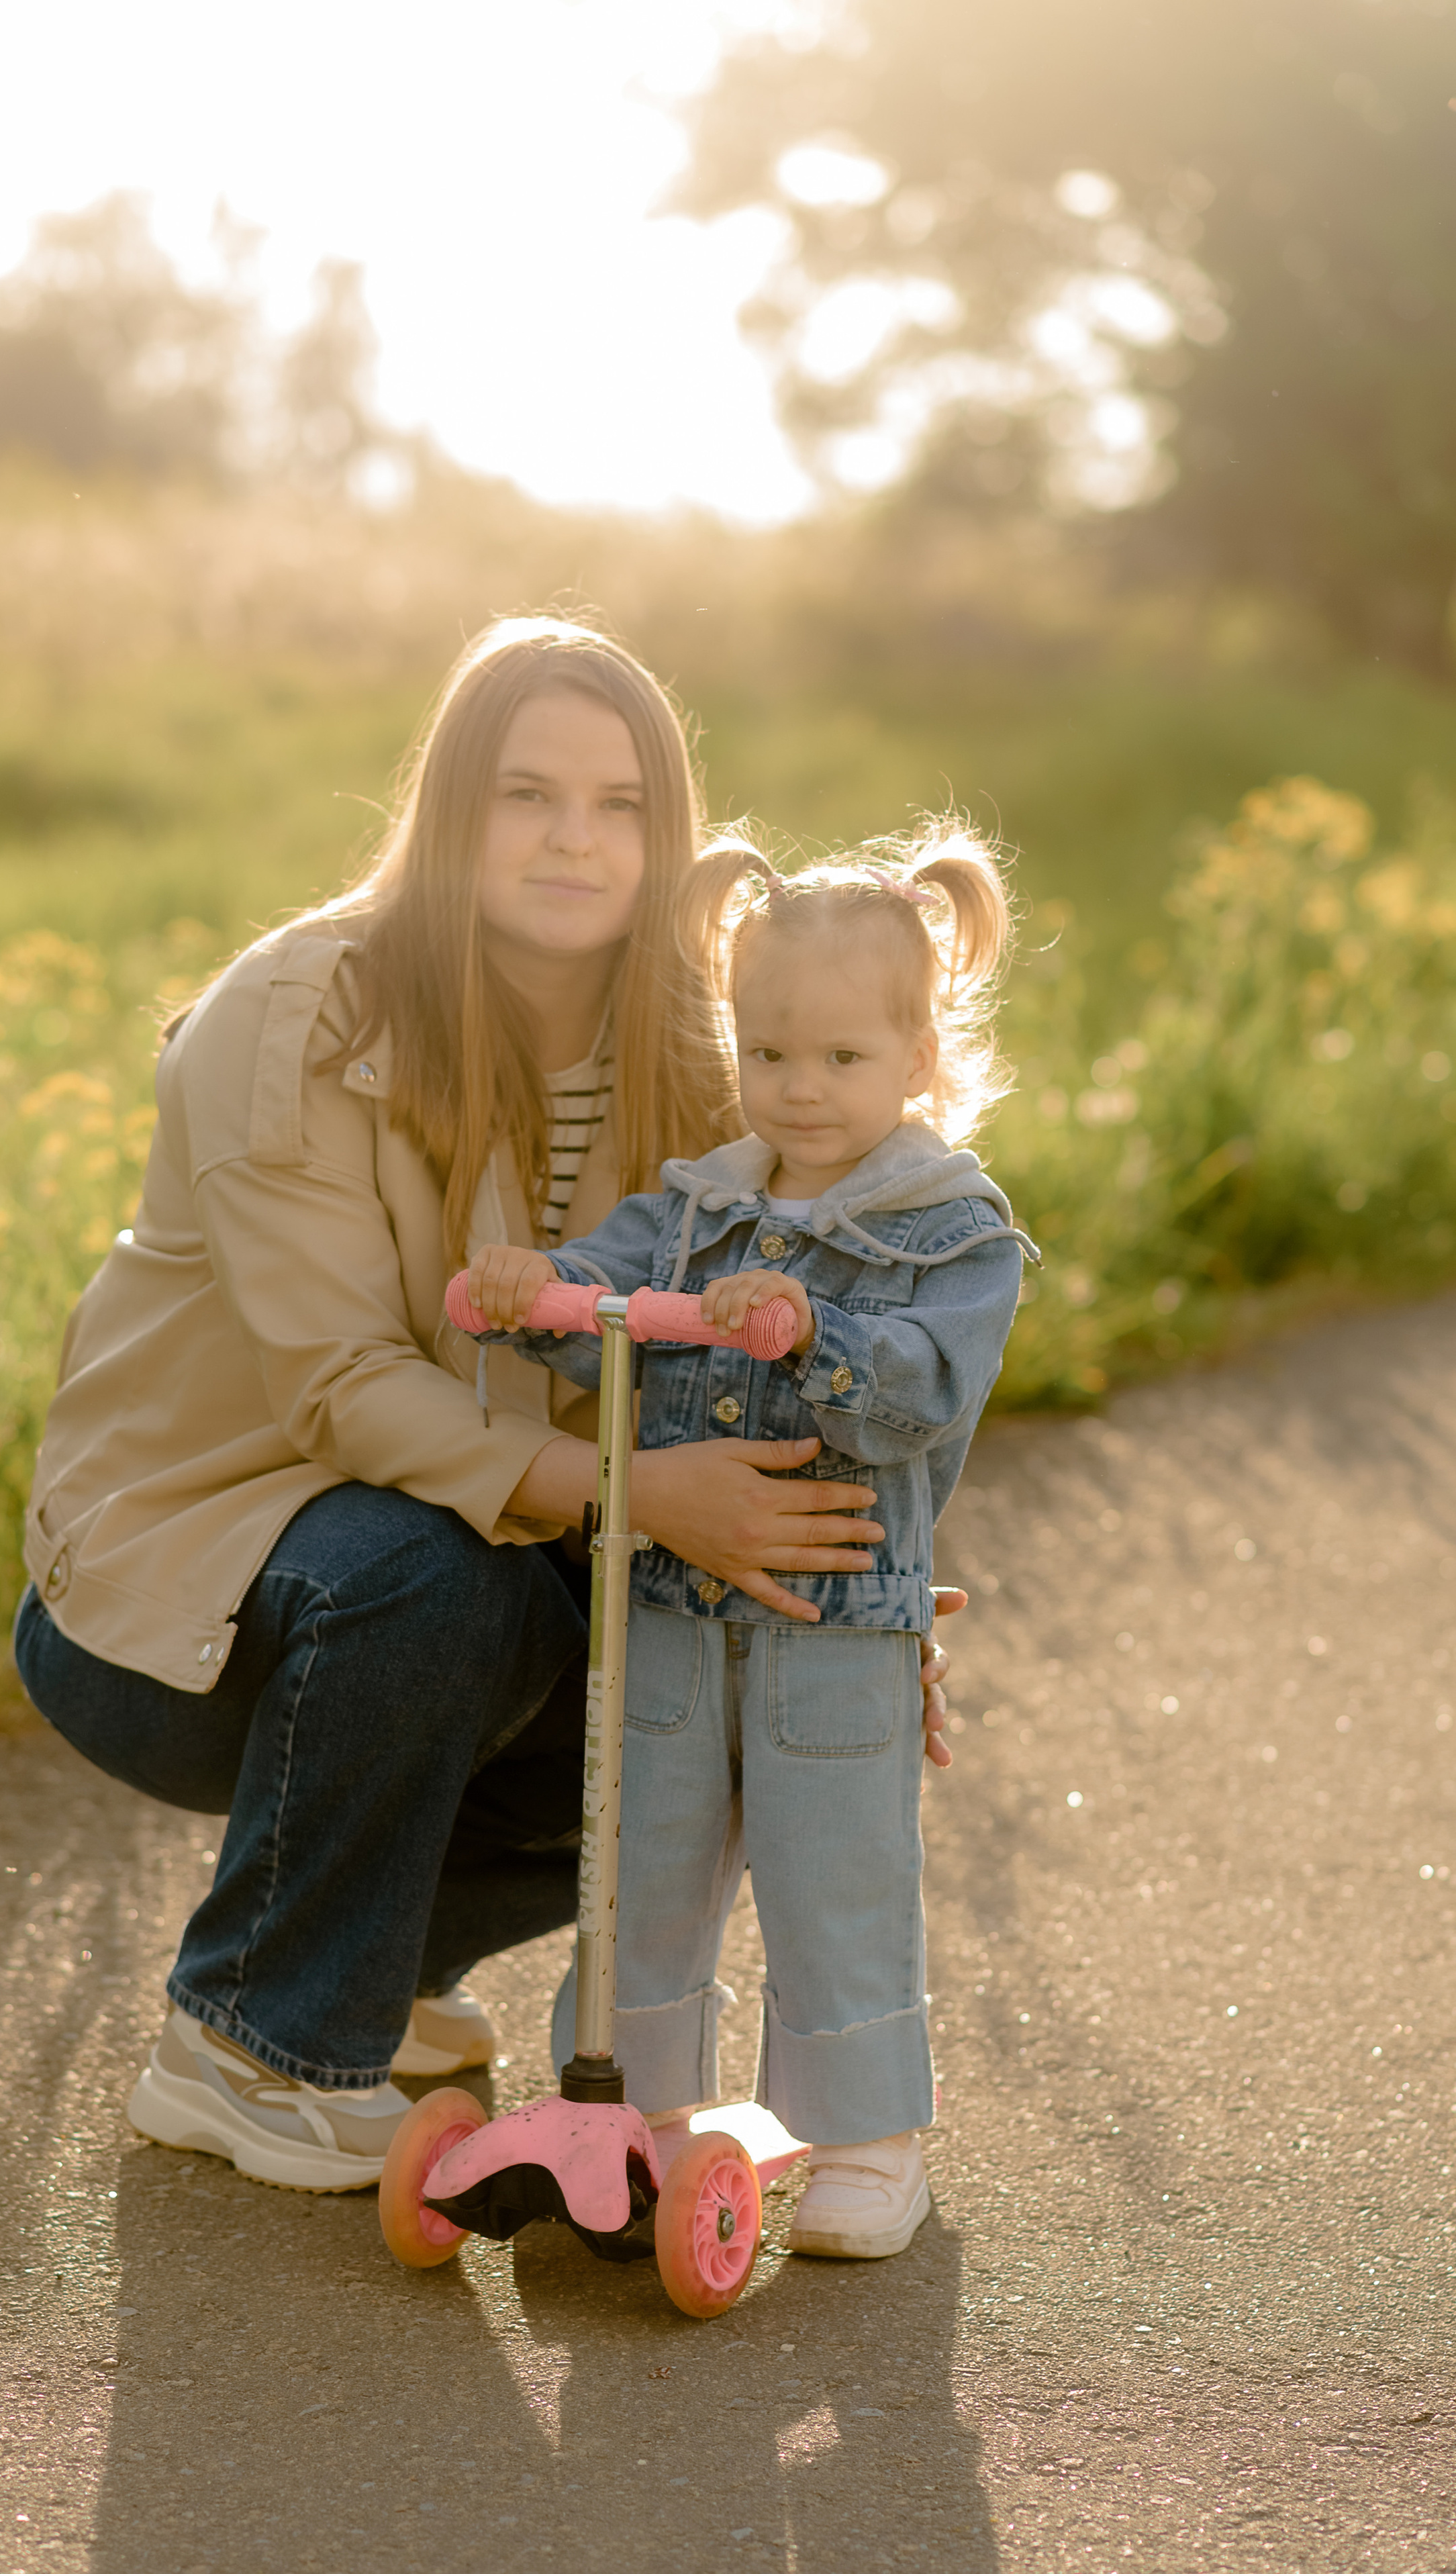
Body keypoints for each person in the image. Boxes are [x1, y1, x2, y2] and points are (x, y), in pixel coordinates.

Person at [13, 616, 962, 2197]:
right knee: (427, 1577)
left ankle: (370, 1986)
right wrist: (639, 1499)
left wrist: (855, 1597)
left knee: (691, 1699)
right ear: (452, 806)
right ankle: (250, 2041)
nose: (574, 841)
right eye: (526, 794)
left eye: (619, 804)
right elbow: (336, 1390)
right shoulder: (302, 1009)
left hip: (482, 1536)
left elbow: (780, 1339)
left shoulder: (683, 1039)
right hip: (172, 1596)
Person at [463, 841, 1033, 2256]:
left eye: (841, 1055)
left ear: (917, 1052)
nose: (798, 1087)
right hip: (664, 1606)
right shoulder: (696, 1210)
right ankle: (634, 2117)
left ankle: (865, 2143)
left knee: (830, 1867)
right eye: (768, 1050)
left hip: (835, 1625)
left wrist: (812, 1329)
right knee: (637, 1860)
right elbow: (608, 1285)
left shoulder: (952, 1235)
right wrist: (539, 1289)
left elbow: (917, 1390)